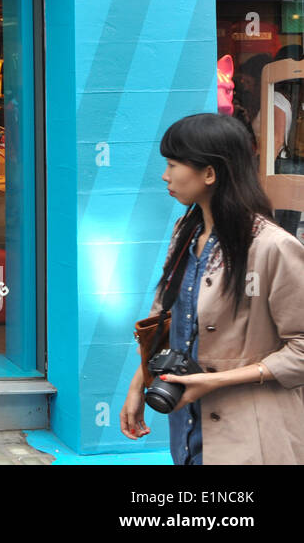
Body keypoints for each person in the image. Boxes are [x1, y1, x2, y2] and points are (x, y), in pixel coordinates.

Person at [120, 113, 304, 464]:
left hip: (253, 435)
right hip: (189, 428)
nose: (165, 175)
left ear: (210, 173)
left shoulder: (271, 246)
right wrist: (137, 384)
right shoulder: (185, 231)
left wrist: (217, 382)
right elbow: (170, 322)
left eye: (174, 164)